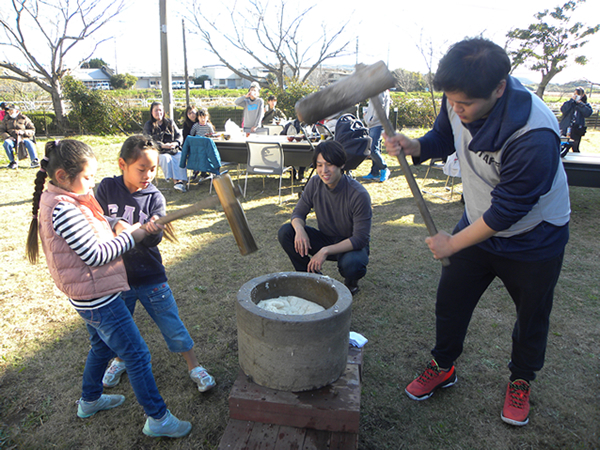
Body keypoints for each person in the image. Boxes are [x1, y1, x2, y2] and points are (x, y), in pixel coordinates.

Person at [384, 38, 570, 427]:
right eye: (451, 101)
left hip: (534, 235)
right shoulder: (459, 93)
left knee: (532, 315)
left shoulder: (534, 133)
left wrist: (452, 242)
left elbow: (507, 212)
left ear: (499, 88)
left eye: (464, 104)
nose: (456, 109)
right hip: (476, 217)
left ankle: (520, 379)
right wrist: (413, 144)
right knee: (451, 300)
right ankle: (443, 365)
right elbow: (442, 137)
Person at [26, 139, 192, 438]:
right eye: (88, 178)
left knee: (101, 347)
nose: (92, 185)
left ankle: (89, 400)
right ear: (63, 176)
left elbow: (96, 236)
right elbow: (95, 255)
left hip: (88, 294)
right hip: (99, 298)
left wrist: (119, 227)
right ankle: (158, 418)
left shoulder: (62, 199)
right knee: (138, 356)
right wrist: (134, 235)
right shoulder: (64, 208)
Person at [96, 135, 216, 394]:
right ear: (122, 164)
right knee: (120, 327)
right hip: (116, 277)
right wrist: (114, 222)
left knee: (171, 322)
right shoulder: (106, 188)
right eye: (142, 169)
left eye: (153, 169)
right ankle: (119, 360)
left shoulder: (155, 197)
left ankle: (194, 365)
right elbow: (95, 219)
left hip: (150, 275)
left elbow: (155, 240)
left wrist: (151, 230)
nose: (148, 175)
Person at [277, 140, 372, 295]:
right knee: (287, 232)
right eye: (319, 165)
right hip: (325, 237)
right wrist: (300, 230)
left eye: (329, 164)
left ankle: (351, 283)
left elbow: (360, 239)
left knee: (353, 263)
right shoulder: (315, 183)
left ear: (341, 165)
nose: (324, 170)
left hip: (350, 244)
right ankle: (311, 277)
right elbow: (298, 214)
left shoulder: (358, 194)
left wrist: (325, 251)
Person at [143, 101, 187, 192]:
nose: (158, 112)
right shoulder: (148, 125)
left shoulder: (169, 122)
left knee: (180, 156)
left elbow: (179, 135)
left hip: (173, 149)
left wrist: (175, 143)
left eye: (160, 110)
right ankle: (176, 181)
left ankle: (180, 181)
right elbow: (148, 140)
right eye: (156, 110)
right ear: (151, 112)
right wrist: (162, 145)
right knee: (166, 158)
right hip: (159, 151)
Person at [361, 90, 391, 182]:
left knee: (372, 149)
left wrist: (370, 119)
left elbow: (380, 108)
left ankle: (384, 168)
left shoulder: (380, 90)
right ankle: (375, 172)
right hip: (375, 123)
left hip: (377, 124)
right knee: (375, 148)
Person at [1, 104, 39, 169]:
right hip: (11, 138)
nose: (10, 112)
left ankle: (34, 160)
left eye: (12, 111)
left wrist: (24, 132)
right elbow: (1, 130)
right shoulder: (5, 119)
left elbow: (32, 129)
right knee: (6, 143)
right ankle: (12, 162)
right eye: (9, 111)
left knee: (29, 143)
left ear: (17, 111)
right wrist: (8, 137)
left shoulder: (24, 118)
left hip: (23, 138)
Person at [559, 87, 593, 153]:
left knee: (575, 147)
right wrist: (571, 101)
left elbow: (588, 113)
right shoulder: (570, 103)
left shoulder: (585, 105)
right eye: (575, 94)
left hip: (577, 129)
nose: (576, 96)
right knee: (563, 147)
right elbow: (563, 110)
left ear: (582, 95)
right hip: (566, 127)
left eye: (578, 94)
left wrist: (580, 104)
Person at [189, 107, 215, 182]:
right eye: (201, 117)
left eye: (204, 117)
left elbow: (213, 135)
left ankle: (204, 172)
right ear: (198, 117)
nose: (203, 119)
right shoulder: (196, 126)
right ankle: (195, 171)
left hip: (206, 146)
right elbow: (191, 135)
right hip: (197, 145)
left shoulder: (209, 126)